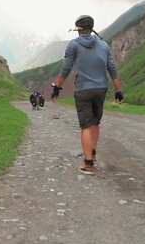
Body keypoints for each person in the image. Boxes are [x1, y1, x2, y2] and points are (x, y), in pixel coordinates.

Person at [51, 15, 124, 175]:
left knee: (85, 126)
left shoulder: (74, 45)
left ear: (78, 29)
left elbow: (66, 69)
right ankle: (92, 152)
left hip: (83, 90)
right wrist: (118, 90)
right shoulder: (104, 45)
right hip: (101, 89)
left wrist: (57, 87)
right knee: (95, 123)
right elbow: (112, 68)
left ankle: (88, 163)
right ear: (92, 28)